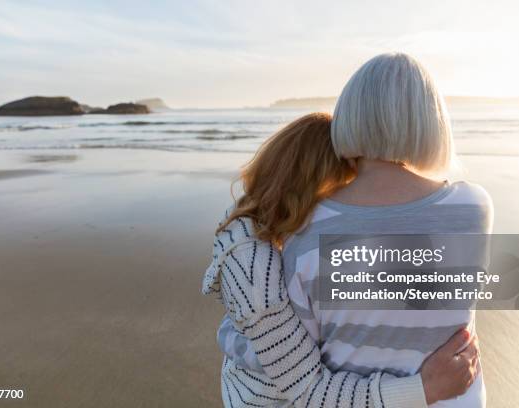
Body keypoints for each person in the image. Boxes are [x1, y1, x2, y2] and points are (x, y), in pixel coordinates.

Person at [204, 110, 482, 407]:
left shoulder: (261, 229)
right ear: (314, 184)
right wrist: (424, 389)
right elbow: (309, 391)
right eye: (346, 185)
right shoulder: (254, 271)